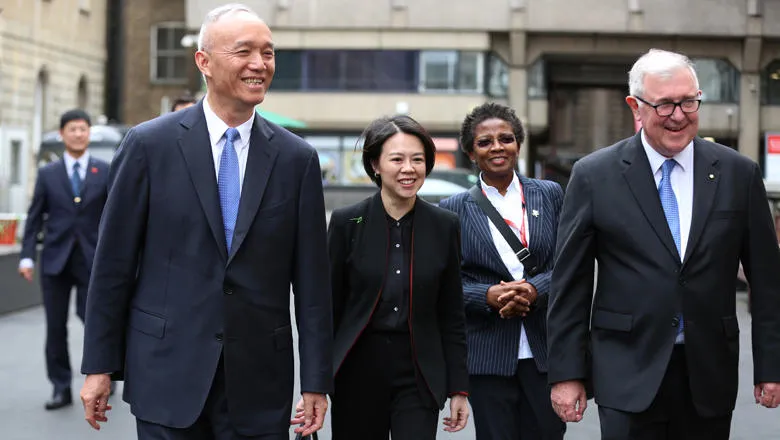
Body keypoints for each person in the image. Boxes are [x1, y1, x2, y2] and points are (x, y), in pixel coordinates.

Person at [79, 4, 332, 439]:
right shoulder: (148, 146)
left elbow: (312, 285)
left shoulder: (297, 160)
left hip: (259, 381)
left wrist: (316, 381)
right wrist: (99, 365)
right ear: (204, 62)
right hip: (166, 372)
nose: (260, 64)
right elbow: (112, 266)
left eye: (268, 53)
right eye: (244, 52)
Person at [547, 48, 780, 439]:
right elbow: (570, 284)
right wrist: (567, 374)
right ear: (635, 107)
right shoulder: (594, 175)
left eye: (689, 102)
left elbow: (768, 281)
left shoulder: (738, 174)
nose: (678, 115)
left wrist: (771, 366)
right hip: (626, 371)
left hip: (708, 373)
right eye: (665, 104)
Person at [293, 115, 470, 439]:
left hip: (419, 373)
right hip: (357, 370)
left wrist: (459, 388)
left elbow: (451, 314)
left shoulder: (444, 225)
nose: (409, 168)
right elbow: (323, 312)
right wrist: (314, 384)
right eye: (397, 159)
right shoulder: (348, 223)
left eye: (418, 159)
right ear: (375, 164)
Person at [439, 102, 566, 440]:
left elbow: (569, 264)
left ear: (518, 145)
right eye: (485, 141)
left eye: (506, 138)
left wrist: (535, 289)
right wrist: (488, 296)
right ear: (470, 152)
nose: (497, 147)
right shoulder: (451, 210)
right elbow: (445, 283)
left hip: (545, 351)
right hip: (487, 355)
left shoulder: (550, 194)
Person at [18, 109, 109, 411]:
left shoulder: (104, 171)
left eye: (83, 129)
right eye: (72, 129)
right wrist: (27, 257)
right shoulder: (48, 174)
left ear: (89, 133)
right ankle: (60, 387)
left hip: (92, 260)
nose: (78, 134)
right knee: (55, 327)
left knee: (94, 319)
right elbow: (33, 220)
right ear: (62, 134)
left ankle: (104, 373)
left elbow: (115, 219)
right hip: (55, 261)